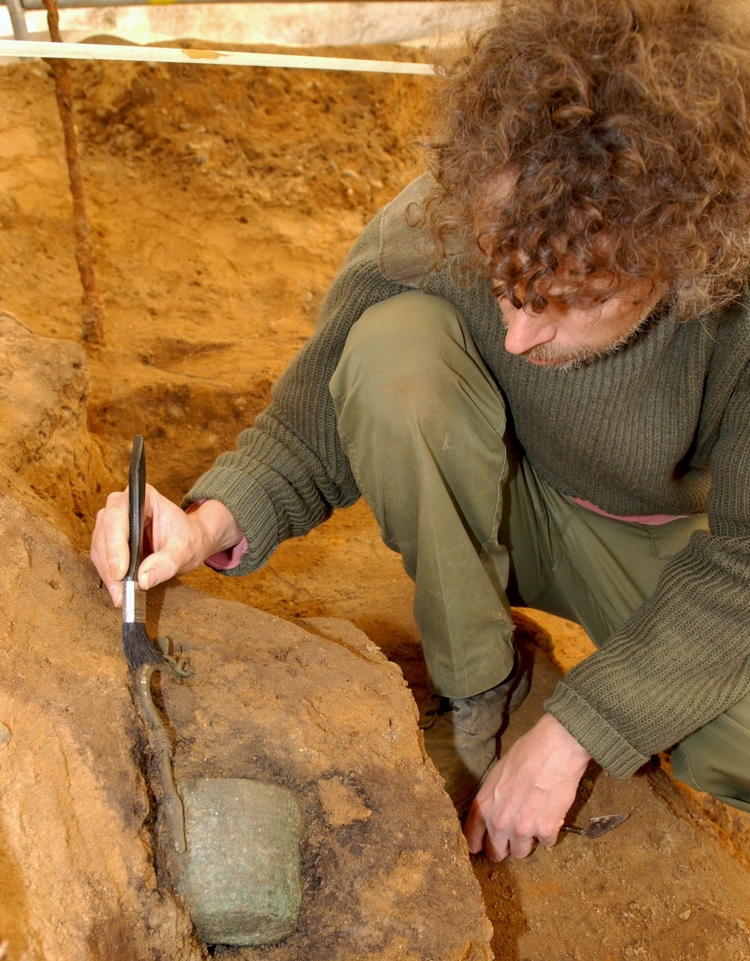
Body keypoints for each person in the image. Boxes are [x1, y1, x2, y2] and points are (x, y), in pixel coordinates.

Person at [91, 0, 750, 862]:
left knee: (738, 741)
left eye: (568, 304)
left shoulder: (731, 289)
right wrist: (204, 522)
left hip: (665, 547)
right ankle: (481, 682)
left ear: (677, 258)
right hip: (504, 495)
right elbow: (318, 416)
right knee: (394, 349)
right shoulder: (468, 209)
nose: (518, 337)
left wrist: (578, 730)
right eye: (505, 287)